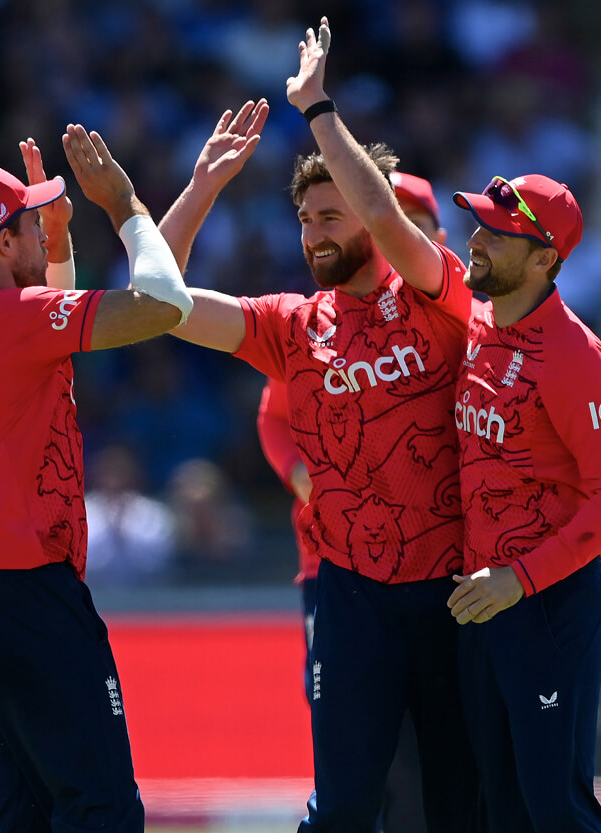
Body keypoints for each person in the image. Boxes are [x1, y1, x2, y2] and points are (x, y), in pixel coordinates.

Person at [153, 19, 481, 828]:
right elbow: (158, 304)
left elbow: (383, 209)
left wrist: (317, 109)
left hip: (451, 595)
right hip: (348, 598)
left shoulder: (441, 297)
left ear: (372, 220)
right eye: (305, 221)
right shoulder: (292, 325)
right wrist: (200, 187)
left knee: (455, 808)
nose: (314, 234)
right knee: (341, 809)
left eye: (332, 217)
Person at [0, 126, 194, 832]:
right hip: (31, 593)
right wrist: (126, 204)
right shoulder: (11, 321)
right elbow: (165, 304)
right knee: (101, 807)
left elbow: (44, 341)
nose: (42, 228)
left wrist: (59, 244)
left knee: (17, 815)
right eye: (29, 222)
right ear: (3, 243)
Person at [443, 171, 601, 832]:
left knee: (554, 811)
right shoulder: (478, 323)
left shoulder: (575, 357)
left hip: (548, 606)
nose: (475, 239)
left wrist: (518, 580)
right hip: (484, 605)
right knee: (499, 812)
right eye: (478, 223)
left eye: (497, 233)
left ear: (544, 258)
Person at [255, 166, 447, 833]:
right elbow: (273, 417)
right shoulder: (313, 327)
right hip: (335, 569)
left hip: (434, 569)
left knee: (439, 770)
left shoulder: (446, 309)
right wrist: (302, 476)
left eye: (417, 228)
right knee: (361, 764)